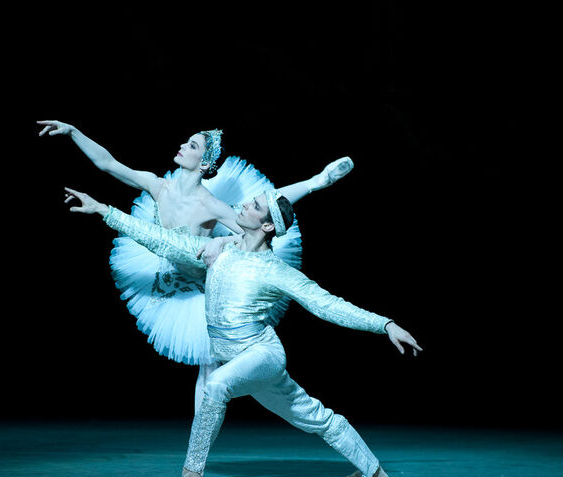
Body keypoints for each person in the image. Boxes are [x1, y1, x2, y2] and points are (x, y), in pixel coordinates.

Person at [64, 187, 423, 477]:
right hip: (235, 357)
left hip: (261, 355)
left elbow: (325, 304)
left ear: (267, 226)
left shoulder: (276, 271)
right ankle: (375, 471)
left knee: (215, 385)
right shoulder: (220, 249)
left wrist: (384, 324)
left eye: (254, 206)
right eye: (248, 202)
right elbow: (162, 239)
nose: (244, 206)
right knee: (313, 415)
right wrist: (104, 210)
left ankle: (192, 473)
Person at [39, 120, 354, 413]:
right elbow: (107, 163)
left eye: (192, 145)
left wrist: (221, 242)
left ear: (204, 163)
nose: (182, 147)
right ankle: (315, 181)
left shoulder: (209, 205)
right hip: (169, 275)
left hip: (207, 287)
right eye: (186, 142)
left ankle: (316, 181)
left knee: (209, 366)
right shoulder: (157, 186)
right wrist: (73, 132)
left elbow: (256, 230)